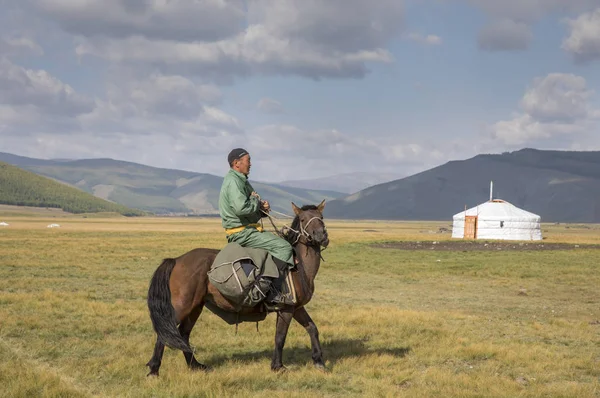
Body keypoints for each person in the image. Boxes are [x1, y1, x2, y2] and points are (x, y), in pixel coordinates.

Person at [218, 148, 295, 307]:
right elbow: (241, 208)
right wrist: (257, 203)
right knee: (284, 247)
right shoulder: (233, 182)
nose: (251, 164)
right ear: (236, 163)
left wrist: (262, 209)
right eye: (248, 160)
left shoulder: (241, 180)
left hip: (249, 229)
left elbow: (249, 207)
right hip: (242, 233)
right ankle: (272, 291)